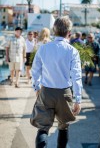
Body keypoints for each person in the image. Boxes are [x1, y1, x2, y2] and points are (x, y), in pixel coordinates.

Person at [31, 16, 82, 148]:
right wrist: (78, 99)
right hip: (64, 93)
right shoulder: (72, 51)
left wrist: (36, 88)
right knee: (63, 127)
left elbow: (35, 70)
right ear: (69, 33)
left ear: (54, 30)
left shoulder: (43, 48)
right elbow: (76, 76)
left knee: (43, 128)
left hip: (46, 91)